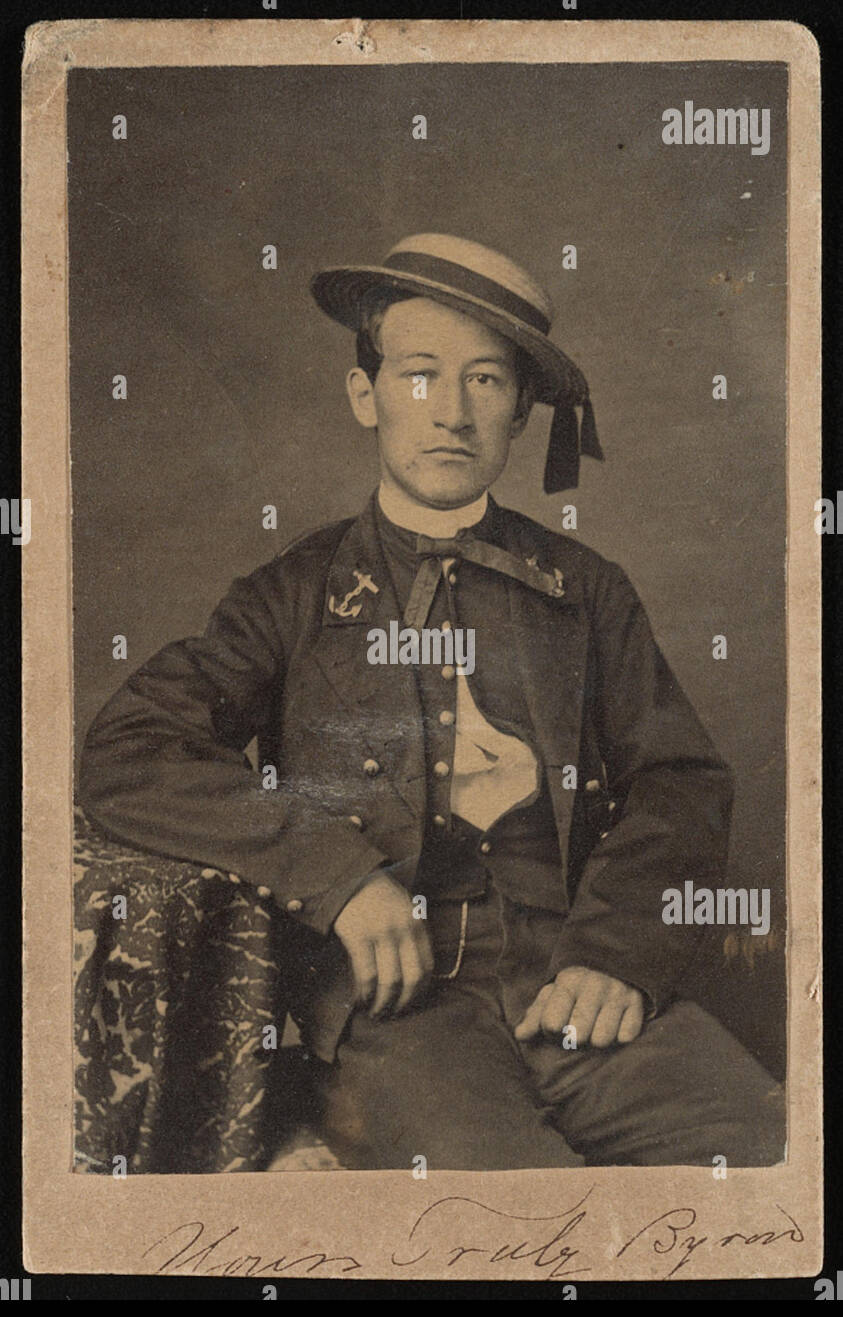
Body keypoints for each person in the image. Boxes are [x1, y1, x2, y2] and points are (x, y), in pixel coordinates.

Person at [80, 233, 785, 1170]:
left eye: (486, 381)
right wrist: (337, 877)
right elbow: (131, 745)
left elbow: (681, 781)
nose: (450, 413)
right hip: (396, 1022)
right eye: (419, 375)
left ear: (522, 411)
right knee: (507, 1219)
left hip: (575, 984)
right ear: (364, 396)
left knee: (766, 1155)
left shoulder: (586, 587)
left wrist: (615, 955)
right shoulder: (290, 593)